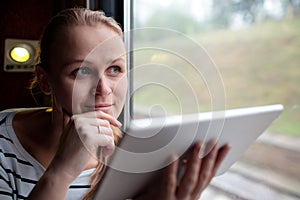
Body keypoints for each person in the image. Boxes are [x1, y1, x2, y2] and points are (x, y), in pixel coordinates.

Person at [0, 8, 230, 200]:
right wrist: (63, 171)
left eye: (114, 69)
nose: (104, 89)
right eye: (81, 71)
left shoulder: (137, 160)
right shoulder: (3, 146)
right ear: (45, 81)